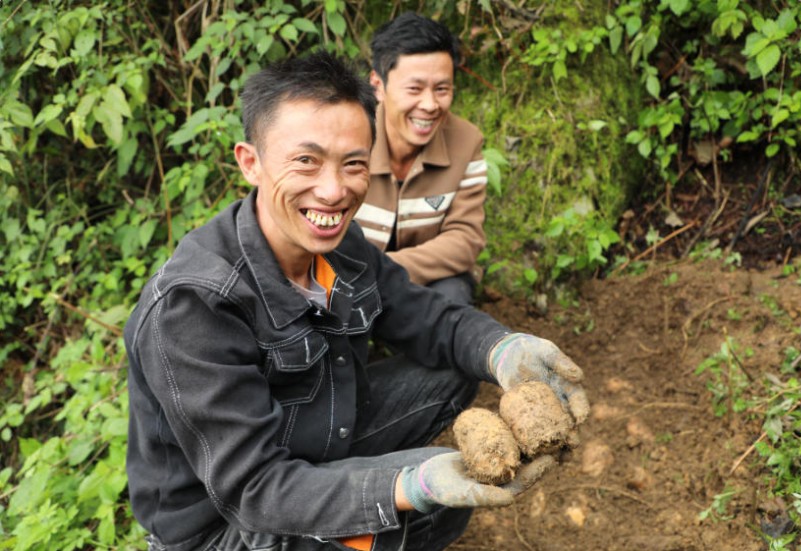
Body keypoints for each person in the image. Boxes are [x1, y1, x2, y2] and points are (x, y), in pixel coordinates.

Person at [124, 51, 589, 551]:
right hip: (225, 526)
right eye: (306, 160)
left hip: (311, 442)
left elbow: (430, 319)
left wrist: (504, 350)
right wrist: (410, 484)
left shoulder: (340, 247)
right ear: (250, 162)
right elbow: (254, 489)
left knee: (460, 366)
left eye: (353, 164)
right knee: (432, 515)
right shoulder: (194, 307)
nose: (333, 190)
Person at [354, 13, 487, 305]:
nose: (429, 105)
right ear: (378, 85)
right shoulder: (346, 138)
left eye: (442, 89)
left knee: (453, 294)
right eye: (414, 89)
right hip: (348, 281)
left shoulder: (466, 142)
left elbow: (464, 240)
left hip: (424, 281)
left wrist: (384, 272)